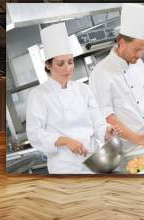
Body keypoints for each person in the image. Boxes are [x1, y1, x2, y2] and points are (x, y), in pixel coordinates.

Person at [26, 23, 119, 174]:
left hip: (94, 161)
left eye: (70, 62)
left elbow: (98, 124)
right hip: (64, 166)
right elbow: (34, 134)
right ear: (48, 65)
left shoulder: (83, 89)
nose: (68, 69)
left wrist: (108, 132)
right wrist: (66, 141)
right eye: (60, 64)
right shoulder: (38, 95)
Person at [89, 3, 144, 150]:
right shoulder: (100, 72)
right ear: (121, 43)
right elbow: (106, 116)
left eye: (143, 49)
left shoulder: (138, 63)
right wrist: (137, 138)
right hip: (128, 149)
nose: (140, 55)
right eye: (136, 49)